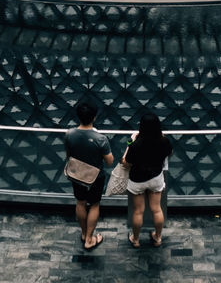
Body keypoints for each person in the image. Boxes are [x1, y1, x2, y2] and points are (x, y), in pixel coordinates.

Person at [65, 100, 114, 251]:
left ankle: (84, 233)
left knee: (80, 202)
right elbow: (109, 161)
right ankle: (89, 240)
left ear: (78, 116)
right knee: (94, 205)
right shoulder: (101, 139)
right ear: (94, 117)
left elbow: (69, 155)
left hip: (76, 174)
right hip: (95, 178)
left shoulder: (69, 134)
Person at [122, 112, 172, 248]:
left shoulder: (136, 145)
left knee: (138, 211)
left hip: (137, 180)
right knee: (156, 209)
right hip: (155, 177)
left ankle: (136, 239)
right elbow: (169, 153)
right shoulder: (164, 141)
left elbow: (125, 162)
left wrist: (130, 141)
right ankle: (158, 237)